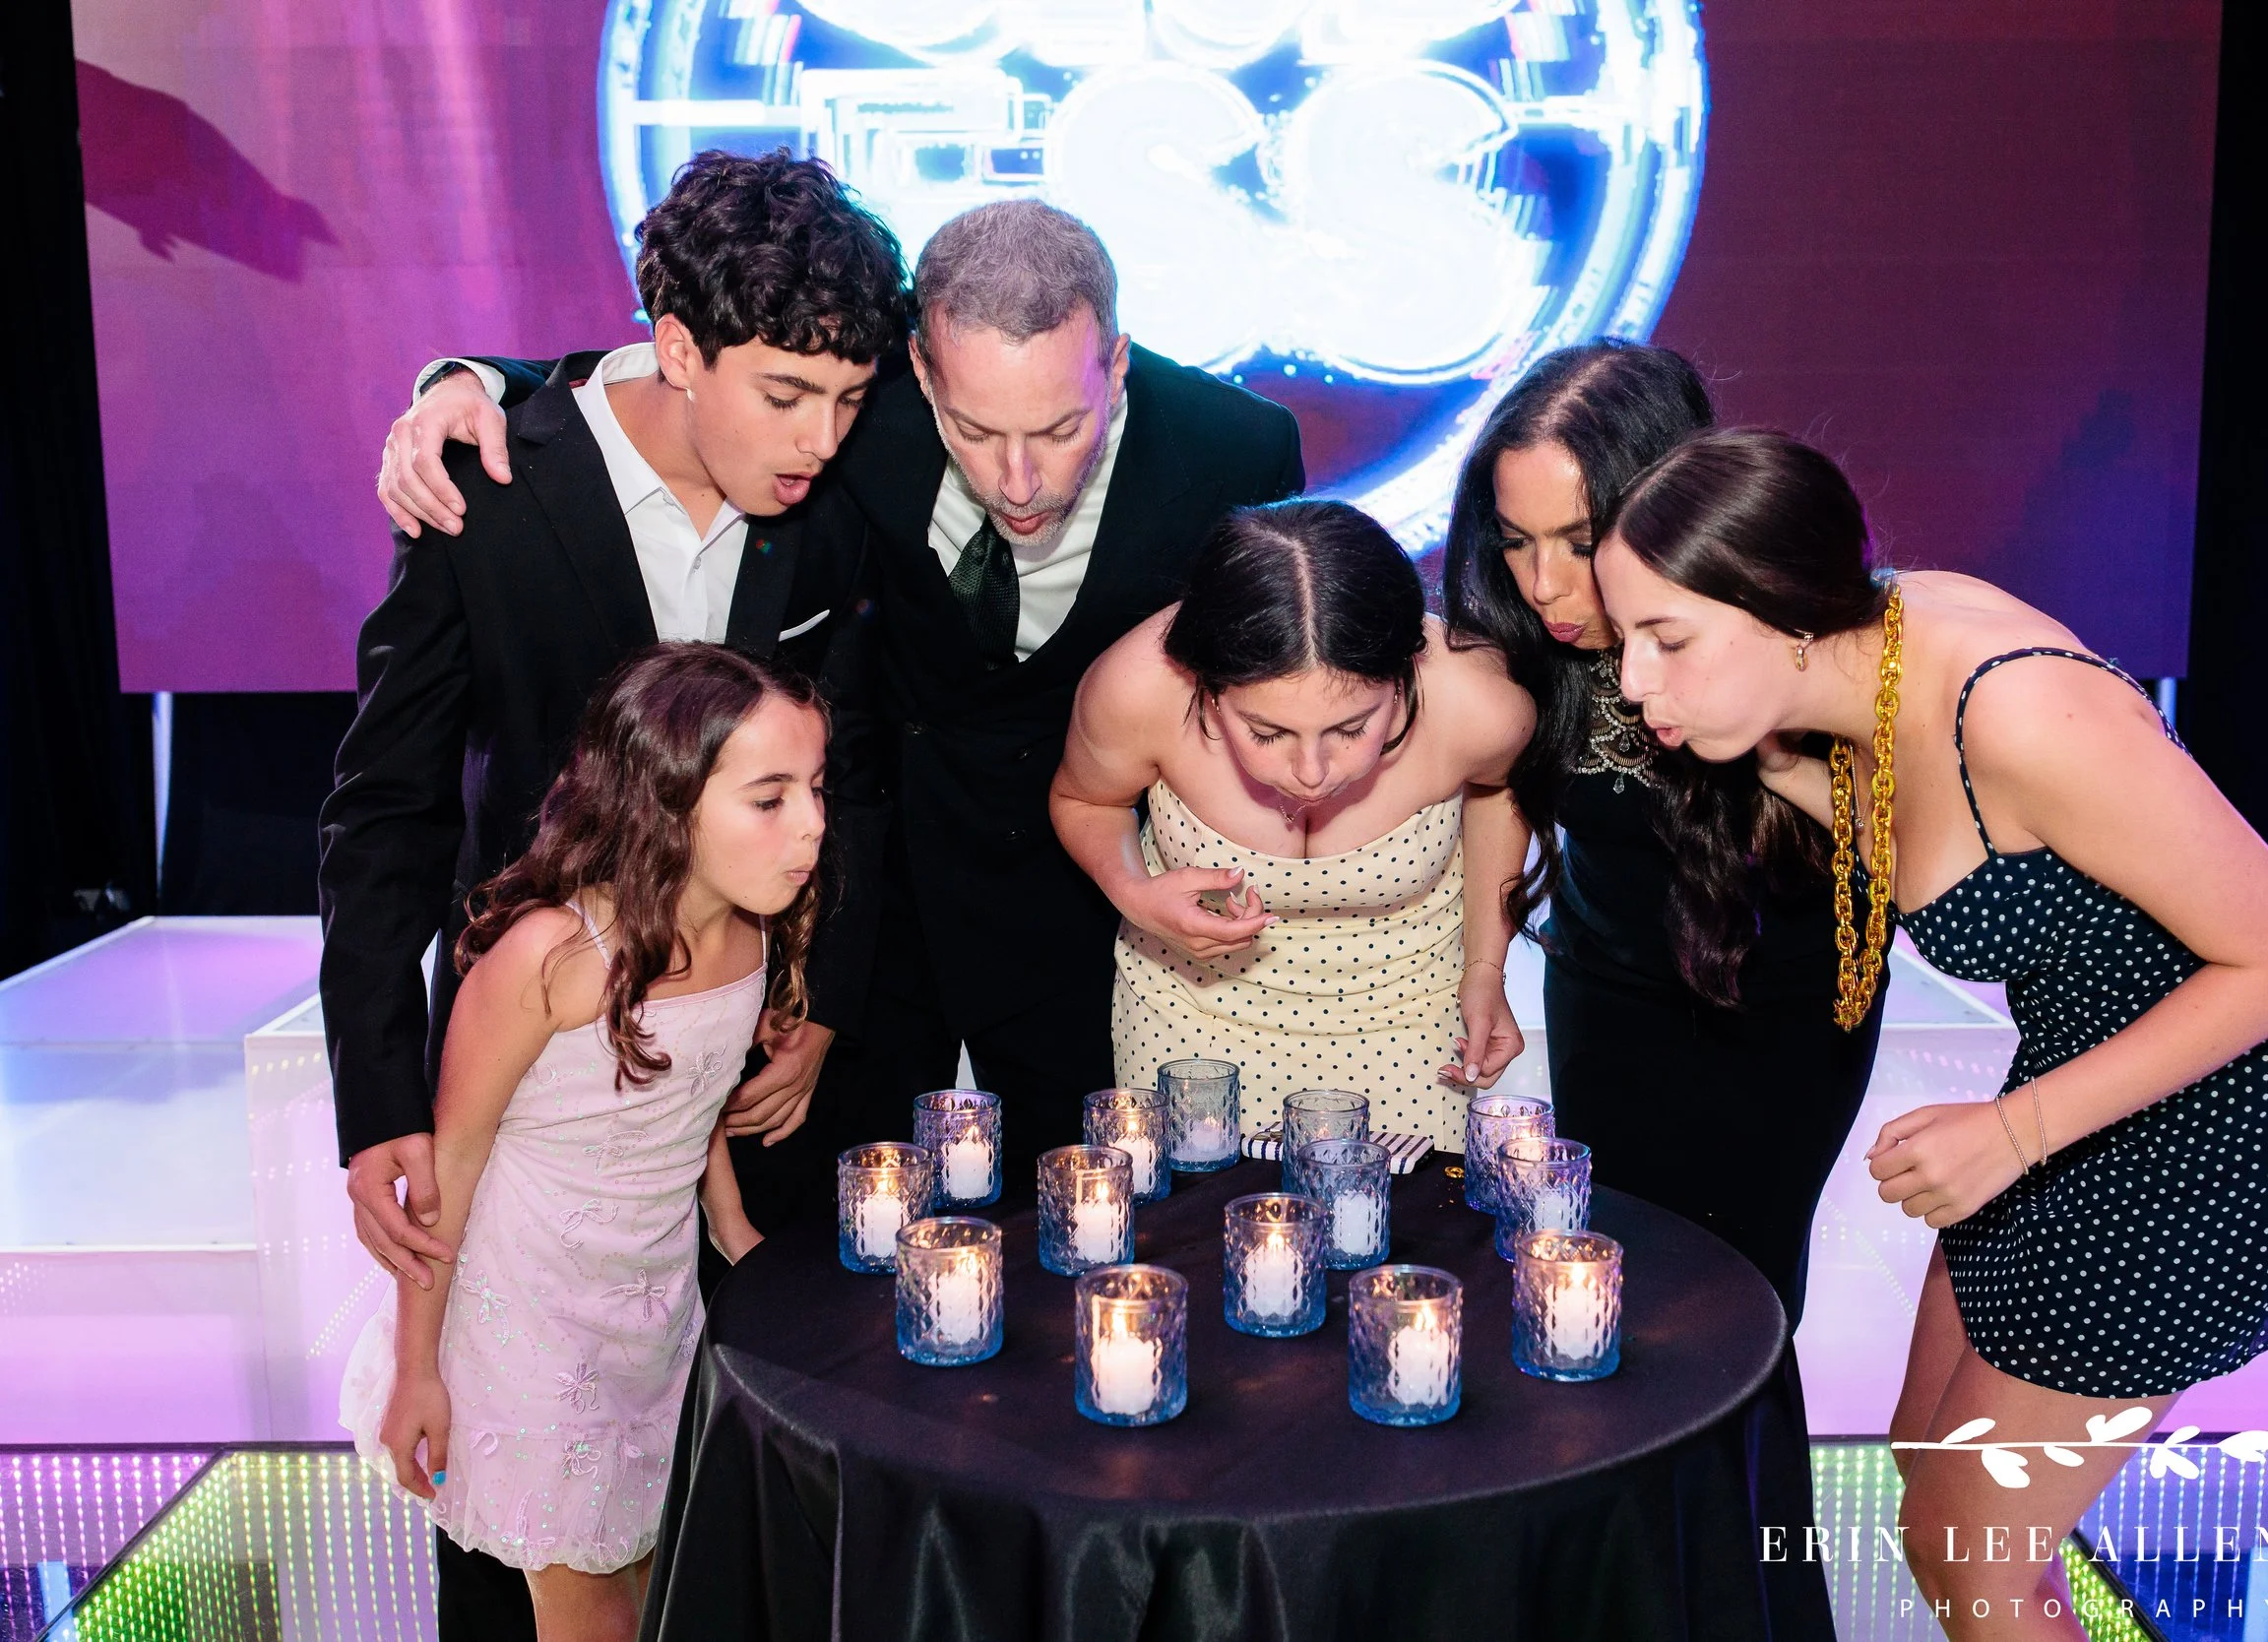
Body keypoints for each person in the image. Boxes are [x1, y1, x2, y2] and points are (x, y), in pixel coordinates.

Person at [1593, 428, 2268, 1640]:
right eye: (1626, 636)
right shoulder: (1870, 667)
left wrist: (2011, 1131)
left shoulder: (2015, 707)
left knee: (1971, 1554)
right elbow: (1908, 821)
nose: (1635, 680)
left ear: (1787, 610)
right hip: (2076, 1106)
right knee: (1928, 1479)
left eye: (1667, 639)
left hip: (2211, 1138)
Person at [377, 200, 1305, 1180]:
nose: (1020, 479)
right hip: (878, 910)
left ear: (1114, 363)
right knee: (838, 1260)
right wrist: (465, 381)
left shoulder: (1235, 450)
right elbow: (682, 371)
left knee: (1098, 1236)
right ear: (920, 369)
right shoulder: (851, 410)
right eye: (975, 431)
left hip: (1094, 920)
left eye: (1063, 427)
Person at [321, 149, 905, 1638]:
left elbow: (861, 778)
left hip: (723, 1085)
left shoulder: (828, 516)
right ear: (680, 346)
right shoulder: (489, 484)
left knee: (711, 1512)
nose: (824, 439)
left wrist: (818, 1011)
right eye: (787, 396)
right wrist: (378, 1091)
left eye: (848, 401)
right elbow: (383, 809)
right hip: (525, 1083)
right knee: (507, 1532)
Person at [1438, 342, 1880, 1640]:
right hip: (1607, 994)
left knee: (1737, 1320)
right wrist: (1486, 968)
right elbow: (1505, 793)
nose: (1544, 584)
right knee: (1612, 1304)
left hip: (1779, 1017)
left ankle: (1751, 1608)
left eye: (1573, 542)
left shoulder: (1758, 634)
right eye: (1514, 543)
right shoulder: (1550, 641)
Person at [341, 643, 821, 1642]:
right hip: (522, 1307)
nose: (812, 828)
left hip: (649, 1310)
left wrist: (733, 1231)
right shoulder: (549, 958)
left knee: (650, 1580)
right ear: (665, 799)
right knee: (588, 1607)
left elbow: (687, 1103)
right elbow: (453, 1167)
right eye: (770, 799)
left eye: (817, 789)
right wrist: (416, 1368)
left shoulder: (749, 932)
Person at [1049, 500, 1535, 1148]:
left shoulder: (1480, 703)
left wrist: (1484, 969)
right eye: (1267, 732)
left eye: (1352, 728)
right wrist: (1135, 894)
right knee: (1192, 1239)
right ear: (1208, 687)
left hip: (1410, 1016)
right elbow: (1085, 799)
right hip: (1189, 1014)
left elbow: (1499, 792)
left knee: (1402, 1239)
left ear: (1405, 671)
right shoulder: (1137, 688)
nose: (1312, 772)